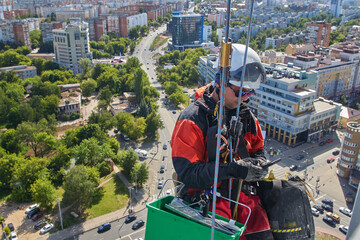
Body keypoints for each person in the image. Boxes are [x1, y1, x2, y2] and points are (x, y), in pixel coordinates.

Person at [171, 44, 273, 240]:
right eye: (239, 92)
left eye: (248, 93)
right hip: (204, 199)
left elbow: (258, 149)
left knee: (265, 229)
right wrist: (234, 169)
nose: (243, 99)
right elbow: (189, 174)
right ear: (221, 82)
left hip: (239, 196)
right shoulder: (192, 119)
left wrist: (258, 165)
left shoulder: (246, 117)